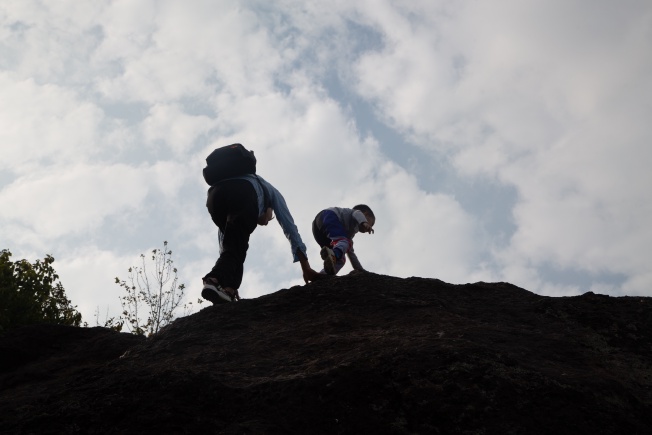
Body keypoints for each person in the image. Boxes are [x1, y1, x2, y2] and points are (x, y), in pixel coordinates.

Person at [202, 172, 320, 304]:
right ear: (269, 208)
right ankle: (213, 279)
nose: (266, 222)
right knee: (237, 244)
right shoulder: (271, 192)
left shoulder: (242, 183)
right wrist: (306, 267)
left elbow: (226, 244)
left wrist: (229, 279)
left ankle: (228, 290)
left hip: (214, 196)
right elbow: (290, 228)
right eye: (270, 217)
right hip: (243, 191)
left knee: (237, 243)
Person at [312, 205, 375, 275]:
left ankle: (324, 274)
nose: (369, 227)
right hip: (329, 215)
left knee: (341, 258)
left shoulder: (348, 233)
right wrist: (364, 222)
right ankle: (333, 255)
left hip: (318, 230)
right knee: (344, 243)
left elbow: (350, 252)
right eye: (371, 224)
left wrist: (359, 269)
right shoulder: (356, 213)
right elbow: (358, 214)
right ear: (366, 214)